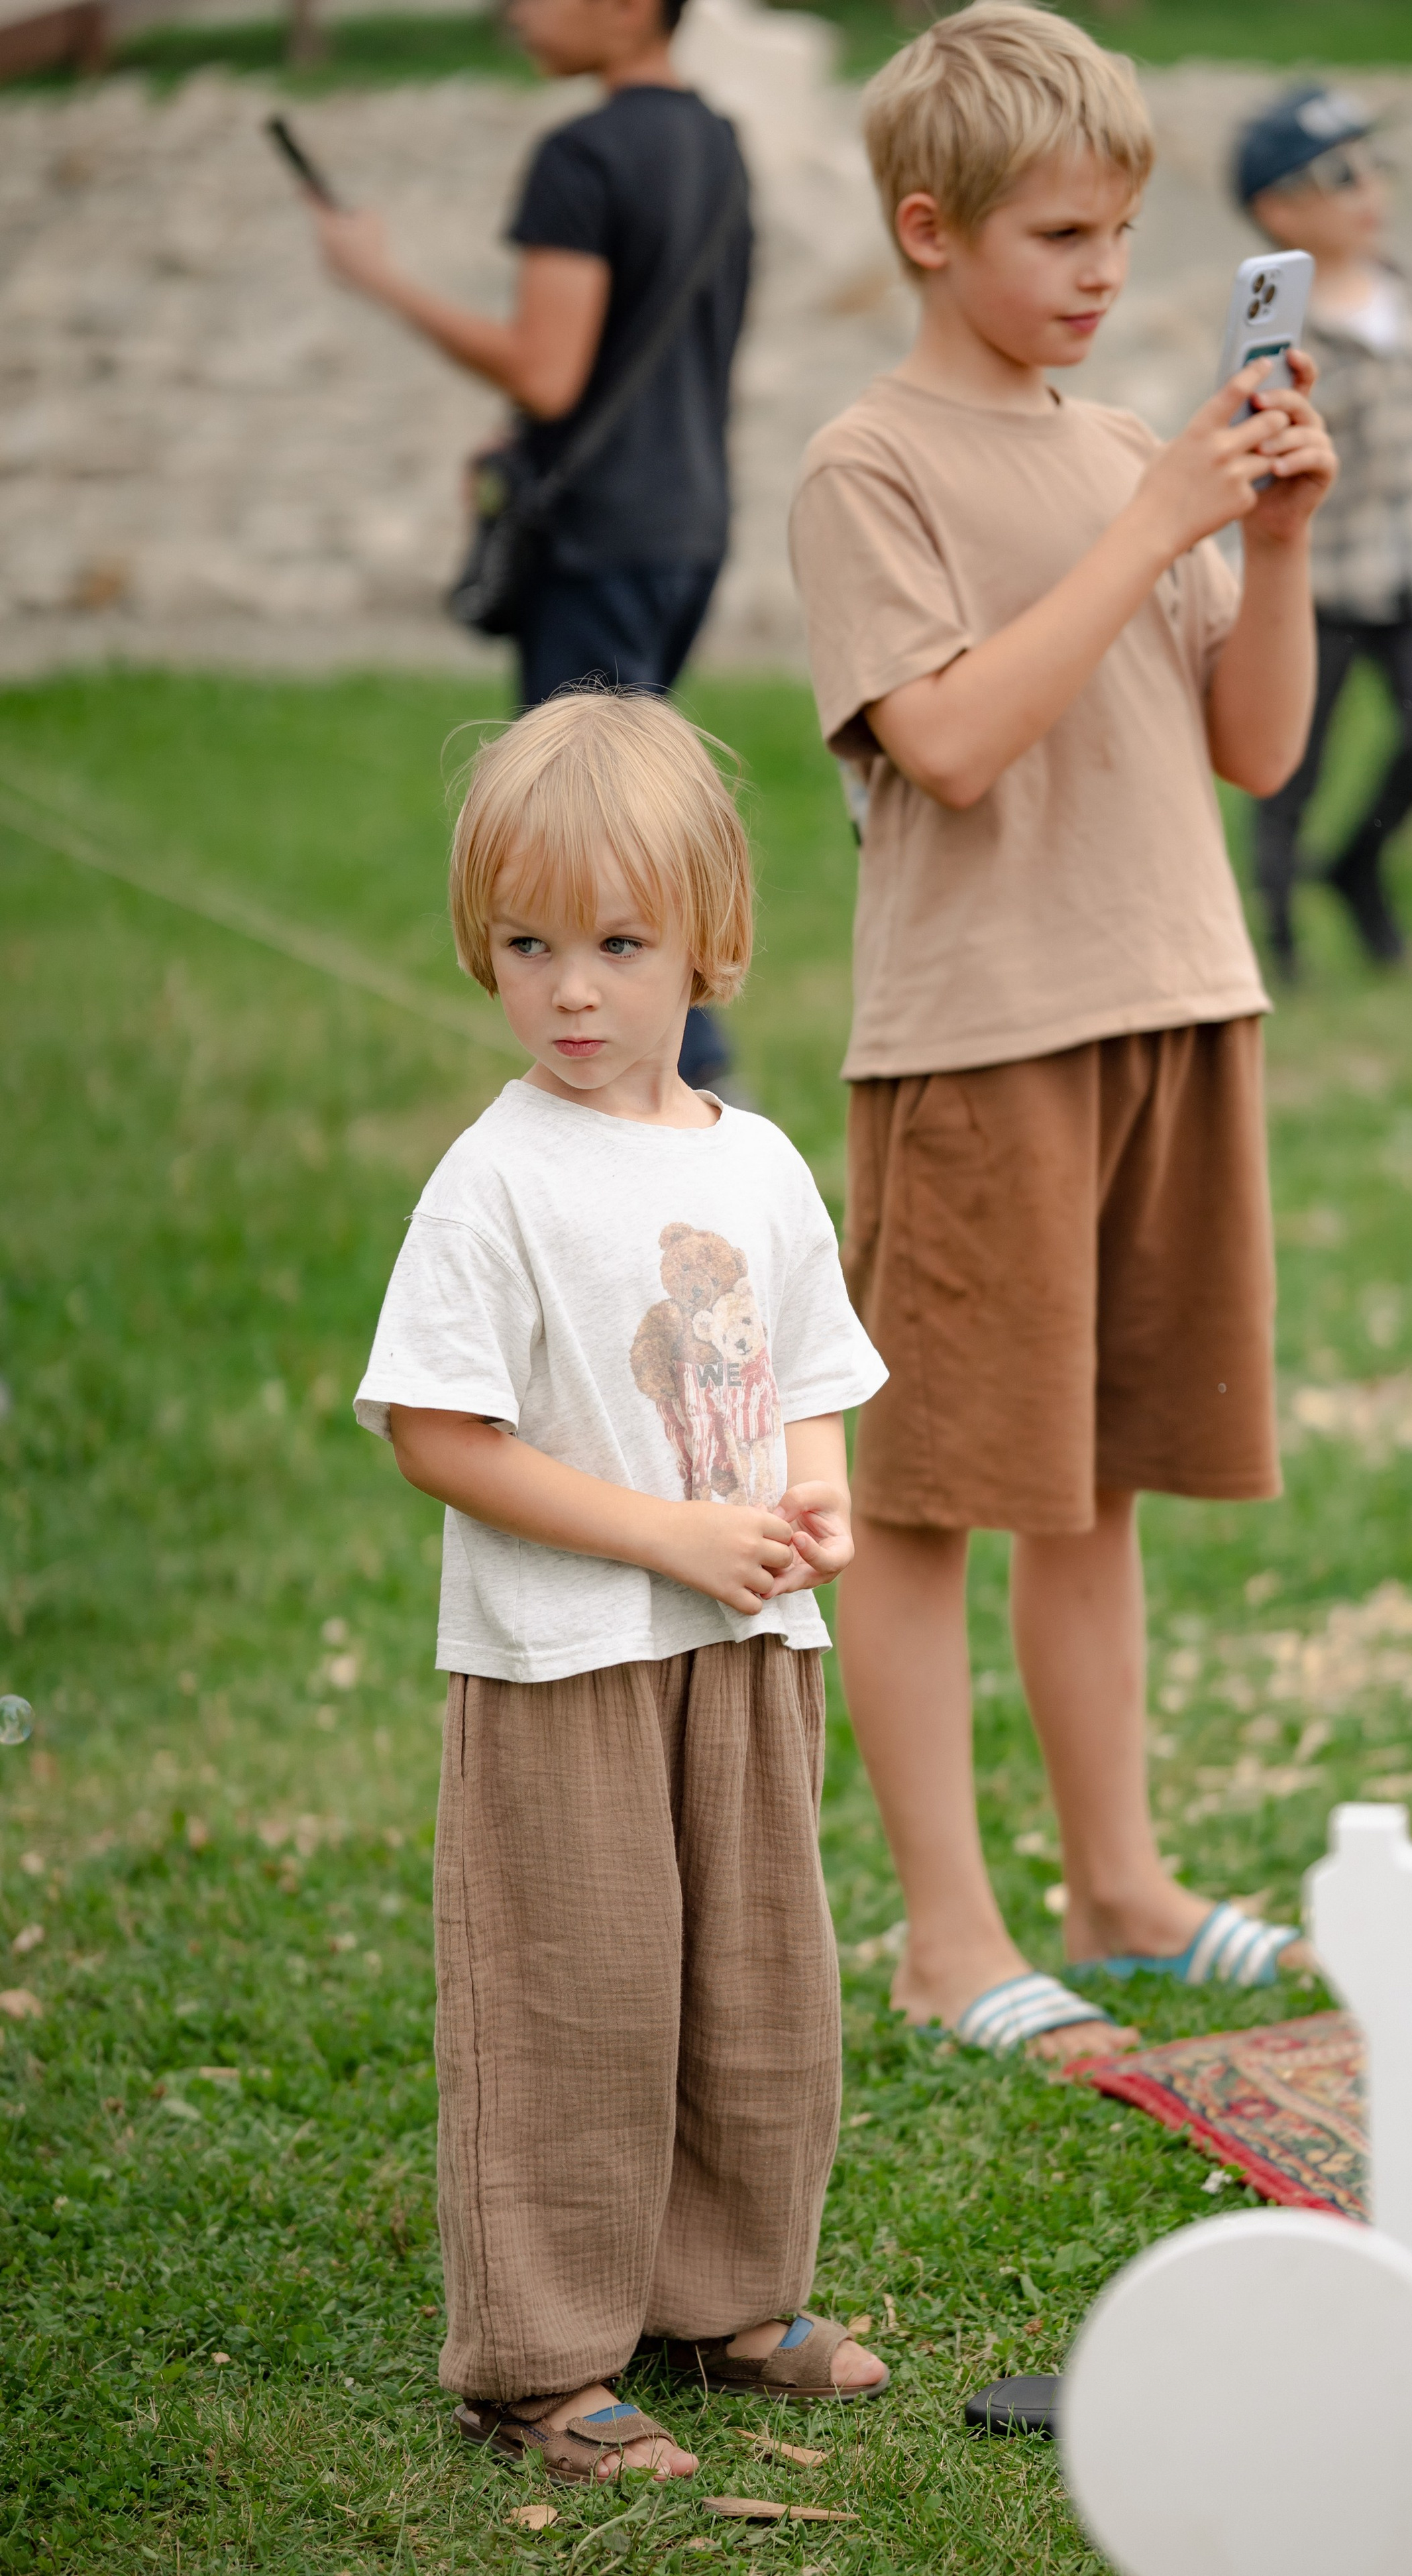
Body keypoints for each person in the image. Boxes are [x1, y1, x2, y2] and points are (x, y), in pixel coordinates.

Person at [788, 1, 1336, 2068]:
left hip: (1174, 1007)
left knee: (1095, 1488)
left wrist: (1266, 539)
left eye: (1124, 233)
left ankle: (1118, 1882)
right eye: (1060, 238)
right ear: (931, 232)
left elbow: (1259, 752)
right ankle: (948, 1933)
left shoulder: (1133, 455)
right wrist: (1156, 528)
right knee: (933, 1493)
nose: (1106, 276)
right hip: (982, 1044)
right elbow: (943, 739)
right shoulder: (872, 466)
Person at [352, 691, 889, 2481]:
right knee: (577, 1989)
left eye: (617, 942)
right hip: (563, 1654)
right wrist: (668, 1534)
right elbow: (437, 1432)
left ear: (709, 945)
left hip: (745, 1641)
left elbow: (811, 1377)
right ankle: (545, 2355)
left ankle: (730, 2294)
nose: (571, 986)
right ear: (482, 949)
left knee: (754, 1977)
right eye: (528, 943)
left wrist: (811, 1503)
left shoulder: (755, 1164)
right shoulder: (495, 1178)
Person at [306, 0, 750, 1086]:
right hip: (690, 519)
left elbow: (549, 369)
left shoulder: (582, 153)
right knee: (638, 810)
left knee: (588, 832)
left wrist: (379, 277)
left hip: (598, 535)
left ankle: (682, 1082)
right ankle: (677, 1074)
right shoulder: (716, 142)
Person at [1236, 85, 1412, 976]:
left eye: (1375, 166)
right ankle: (1278, 933)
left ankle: (1359, 866)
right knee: (1293, 761)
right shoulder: (1279, 331)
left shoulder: (1405, 289)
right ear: (1278, 209)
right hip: (1324, 579)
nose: (1368, 189)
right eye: (1338, 175)